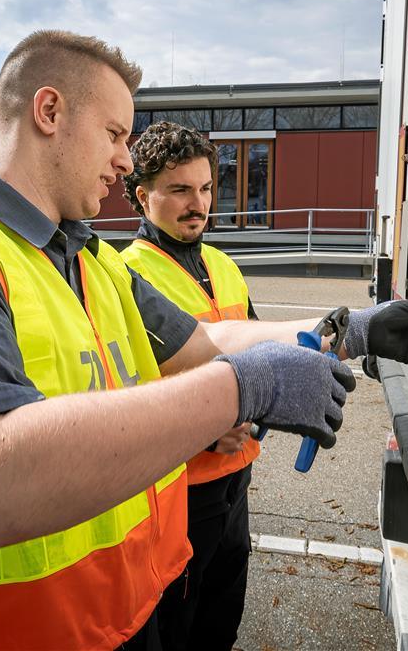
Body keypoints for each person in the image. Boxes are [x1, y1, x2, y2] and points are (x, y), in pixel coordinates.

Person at [0, 29, 408, 650]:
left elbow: (209, 342)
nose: (127, 160)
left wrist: (349, 330)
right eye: (114, 134)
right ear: (48, 111)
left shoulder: (93, 260)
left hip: (134, 618)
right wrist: (242, 391)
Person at [120, 122, 261, 648]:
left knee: (222, 616)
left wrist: (262, 408)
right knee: (175, 623)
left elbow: (257, 353)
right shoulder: (123, 274)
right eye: (179, 190)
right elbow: (122, 390)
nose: (197, 203)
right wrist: (203, 431)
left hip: (236, 479)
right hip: (175, 489)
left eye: (204, 189)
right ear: (143, 195)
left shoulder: (224, 265)